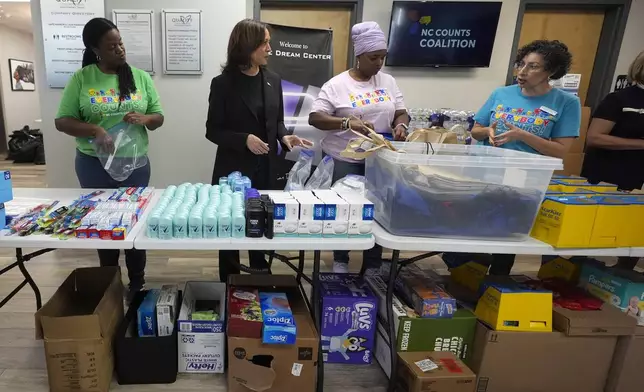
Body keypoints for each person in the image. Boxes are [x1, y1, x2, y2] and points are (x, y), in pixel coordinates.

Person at [443, 40, 581, 275]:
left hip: (524, 180)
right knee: (470, 230)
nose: (522, 72)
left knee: (507, 235)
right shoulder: (501, 93)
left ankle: (497, 284)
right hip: (485, 173)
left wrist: (523, 136)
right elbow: (476, 129)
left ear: (552, 72)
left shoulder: (567, 102)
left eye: (533, 67)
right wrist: (486, 132)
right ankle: (464, 277)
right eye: (521, 64)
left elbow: (560, 150)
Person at [55, 18, 164, 295]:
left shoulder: (139, 77)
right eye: (111, 45)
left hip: (135, 164)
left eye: (121, 43)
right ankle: (110, 282)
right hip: (94, 164)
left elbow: (158, 118)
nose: (120, 49)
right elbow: (62, 121)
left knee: (135, 223)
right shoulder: (81, 79)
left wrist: (145, 118)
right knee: (102, 223)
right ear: (95, 49)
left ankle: (137, 282)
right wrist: (94, 130)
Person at [206, 19, 312, 282]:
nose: (269, 48)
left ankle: (260, 275)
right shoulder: (222, 84)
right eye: (264, 42)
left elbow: (276, 122)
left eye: (269, 42)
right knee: (230, 227)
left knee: (263, 224)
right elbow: (213, 130)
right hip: (232, 170)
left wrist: (285, 136)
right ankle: (229, 280)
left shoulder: (273, 80)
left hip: (265, 168)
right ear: (247, 45)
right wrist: (244, 139)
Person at [309, 21, 409, 274]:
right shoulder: (337, 85)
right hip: (344, 158)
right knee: (345, 209)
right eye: (374, 57)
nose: (379, 64)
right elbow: (315, 117)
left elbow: (401, 111)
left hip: (379, 159)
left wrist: (401, 125)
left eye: (383, 58)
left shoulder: (387, 81)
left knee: (377, 210)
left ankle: (373, 262)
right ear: (359, 56)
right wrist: (346, 121)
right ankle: (341, 258)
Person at [582, 51, 644, 271]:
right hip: (609, 174)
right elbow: (595, 137)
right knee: (592, 229)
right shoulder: (620, 99)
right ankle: (575, 272)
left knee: (635, 230)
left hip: (638, 177)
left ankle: (623, 274)